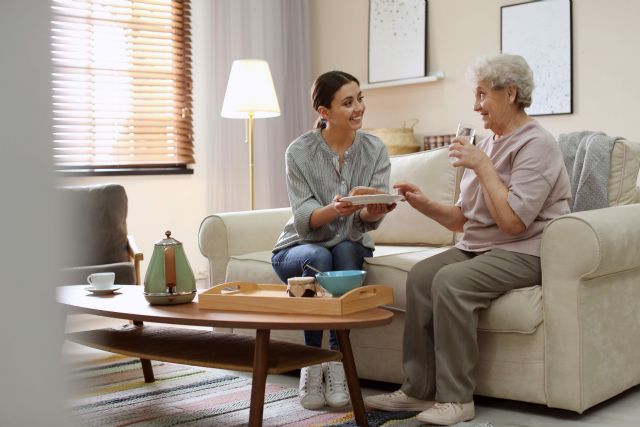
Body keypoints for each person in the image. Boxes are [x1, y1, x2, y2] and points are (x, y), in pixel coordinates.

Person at [364, 54, 572, 425]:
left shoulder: (538, 144)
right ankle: (416, 390)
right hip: (478, 248)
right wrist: (423, 203)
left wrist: (482, 166)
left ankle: (457, 400)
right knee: (422, 275)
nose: (475, 106)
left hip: (524, 251)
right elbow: (464, 219)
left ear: (510, 93)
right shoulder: (488, 144)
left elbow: (513, 223)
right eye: (474, 96)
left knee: (451, 282)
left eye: (481, 95)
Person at [272, 70, 396, 410]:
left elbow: (367, 220)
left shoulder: (374, 149)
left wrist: (372, 210)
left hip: (348, 241)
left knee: (344, 250)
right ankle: (313, 363)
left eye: (360, 99)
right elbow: (304, 218)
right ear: (324, 113)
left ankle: (338, 363)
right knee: (322, 258)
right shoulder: (299, 152)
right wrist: (336, 209)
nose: (358, 108)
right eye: (347, 102)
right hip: (296, 249)